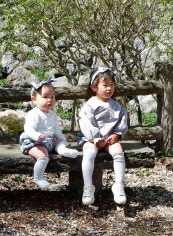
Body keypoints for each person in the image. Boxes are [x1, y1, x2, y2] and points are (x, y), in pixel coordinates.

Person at [78, 67, 128, 205]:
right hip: (91, 139)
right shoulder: (90, 105)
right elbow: (86, 123)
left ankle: (118, 185)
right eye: (105, 85)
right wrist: (95, 138)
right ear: (94, 87)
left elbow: (122, 121)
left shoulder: (117, 105)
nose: (109, 88)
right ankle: (88, 187)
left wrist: (117, 134)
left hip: (110, 138)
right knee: (89, 153)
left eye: (112, 85)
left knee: (118, 152)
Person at [19, 76, 78, 190]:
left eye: (52, 97)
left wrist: (64, 141)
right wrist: (37, 136)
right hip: (34, 141)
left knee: (58, 141)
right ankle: (38, 178)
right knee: (43, 155)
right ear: (34, 99)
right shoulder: (34, 114)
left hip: (48, 140)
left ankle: (63, 150)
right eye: (45, 97)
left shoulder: (52, 115)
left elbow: (56, 130)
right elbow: (28, 128)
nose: (49, 100)